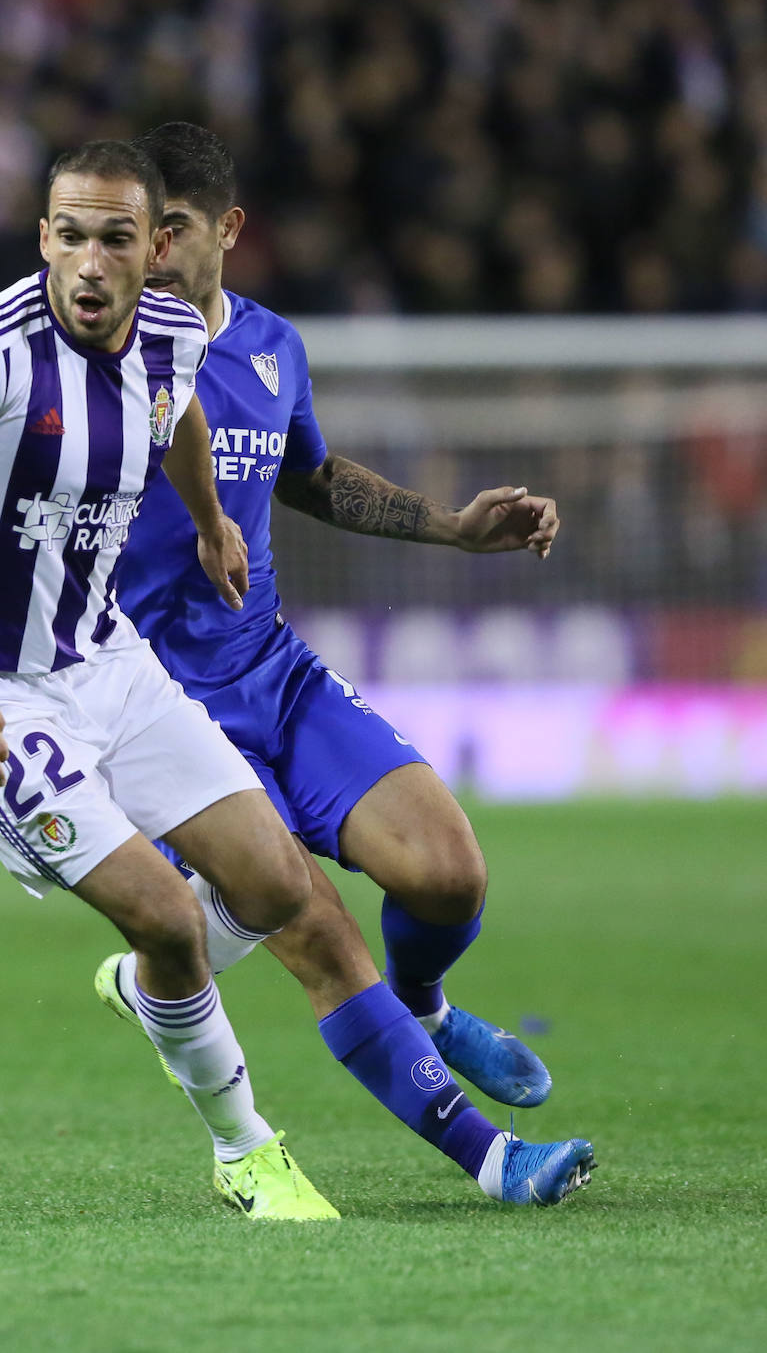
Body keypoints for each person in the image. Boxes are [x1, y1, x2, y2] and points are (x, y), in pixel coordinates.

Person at [96, 122, 595, 1207]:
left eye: (170, 229)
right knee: (314, 925)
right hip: (164, 714)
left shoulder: (274, 346)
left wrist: (452, 528)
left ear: (226, 230)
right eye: (140, 232)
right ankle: (496, 1163)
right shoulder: (105, 356)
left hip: (272, 670)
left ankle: (423, 1005)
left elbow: (311, 479)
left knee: (447, 869)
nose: (151, 252)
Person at [0, 139, 339, 1221]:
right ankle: (245, 1150)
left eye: (116, 238)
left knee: (276, 885)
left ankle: (159, 996)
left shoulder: (168, 334)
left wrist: (211, 522)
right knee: (167, 918)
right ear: (42, 239)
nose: (90, 262)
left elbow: (180, 420)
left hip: (108, 658)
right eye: (68, 235)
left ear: (153, 247)